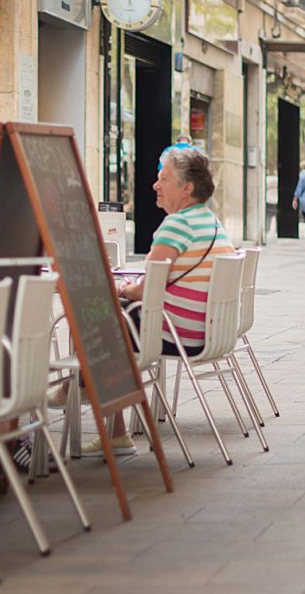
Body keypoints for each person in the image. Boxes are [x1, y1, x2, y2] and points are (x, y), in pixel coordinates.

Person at [77, 147, 235, 456]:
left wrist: (123, 288)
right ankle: (93, 402)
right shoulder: (211, 223)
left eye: (164, 178)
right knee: (114, 321)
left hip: (176, 332)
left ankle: (81, 392)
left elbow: (147, 291)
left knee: (95, 321)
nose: (155, 185)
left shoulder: (176, 225)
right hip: (206, 330)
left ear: (186, 188)